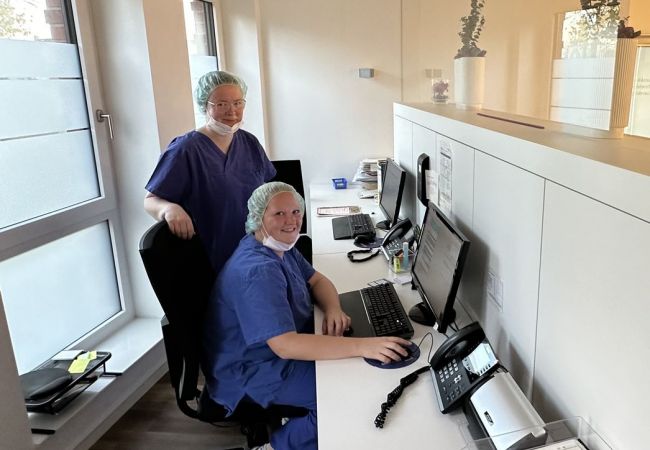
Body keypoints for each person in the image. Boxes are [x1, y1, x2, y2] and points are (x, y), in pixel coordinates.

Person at [202, 182, 411, 450]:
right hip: (254, 368)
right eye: (279, 213)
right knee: (340, 397)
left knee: (352, 374)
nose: (291, 221)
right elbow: (285, 346)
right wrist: (362, 346)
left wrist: (333, 308)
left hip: (280, 349)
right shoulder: (257, 271)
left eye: (295, 212)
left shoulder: (278, 247)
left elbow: (317, 280)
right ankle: (277, 446)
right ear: (257, 218)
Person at [144, 70, 276, 274]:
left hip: (257, 251)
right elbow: (151, 200)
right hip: (214, 260)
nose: (232, 111)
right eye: (221, 104)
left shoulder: (249, 142)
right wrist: (168, 209)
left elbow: (265, 191)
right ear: (205, 105)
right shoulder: (185, 150)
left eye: (238, 103)